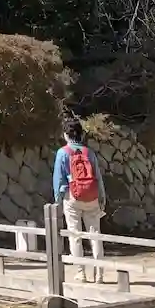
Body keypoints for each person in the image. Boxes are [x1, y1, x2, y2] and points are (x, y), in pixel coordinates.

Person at [53, 118, 106, 282]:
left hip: (72, 197)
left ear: (65, 135)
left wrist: (58, 200)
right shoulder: (89, 153)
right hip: (92, 196)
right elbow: (98, 177)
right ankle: (99, 274)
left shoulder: (62, 153)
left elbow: (58, 180)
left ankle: (80, 272)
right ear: (81, 135)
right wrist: (102, 198)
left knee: (75, 235)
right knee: (95, 235)